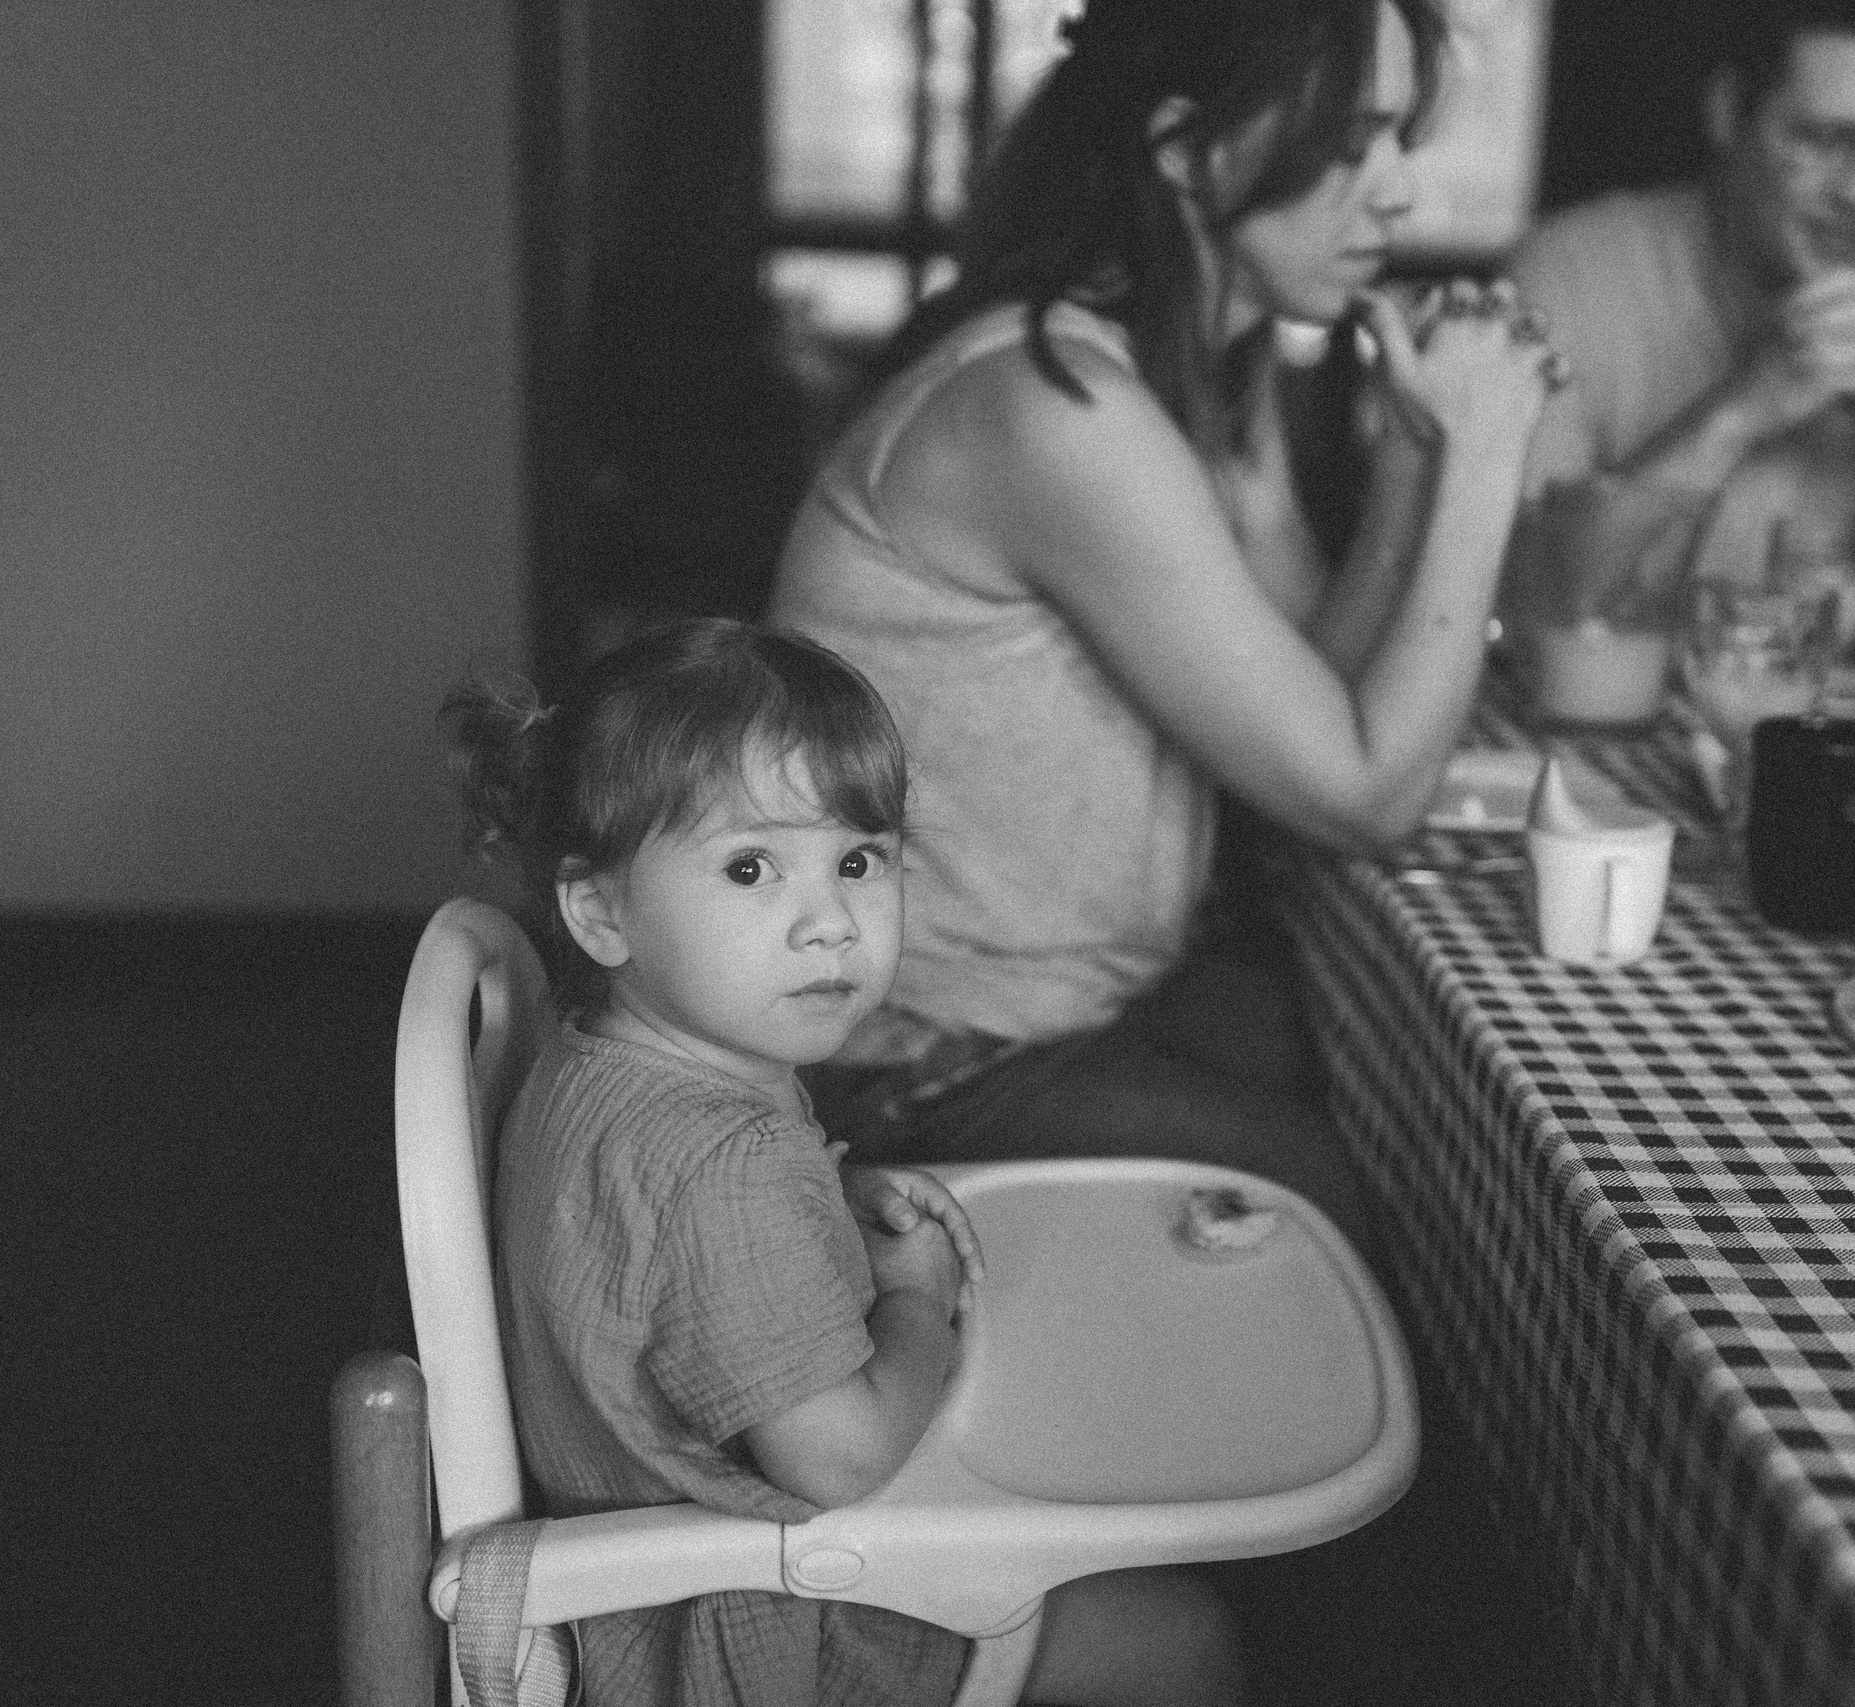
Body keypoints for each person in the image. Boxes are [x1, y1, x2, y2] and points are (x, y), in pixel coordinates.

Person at [767, 0, 1559, 1245]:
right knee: (1350, 1199)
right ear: (1188, 149)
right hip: (911, 1058)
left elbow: (1310, 705)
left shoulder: (1182, 371)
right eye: (1352, 144)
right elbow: (1362, 791)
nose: (1400, 194)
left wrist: (1412, 465)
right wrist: (1486, 458)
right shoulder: (1056, 402)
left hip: (1076, 1004)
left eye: (1402, 137)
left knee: (1409, 1097)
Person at [442, 618, 1244, 1707]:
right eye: (751, 867)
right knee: (1178, 1640)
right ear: (601, 911)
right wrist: (917, 1304)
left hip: (660, 1592)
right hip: (751, 1638)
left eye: (858, 860)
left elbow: (667, 1272)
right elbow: (842, 1458)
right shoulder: (721, 1161)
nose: (829, 923)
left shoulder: (618, 1070)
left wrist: (825, 1209)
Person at [1507, 0, 1855, 645]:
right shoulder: (1576, 264)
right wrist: (1746, 407)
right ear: (1726, 112)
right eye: (1823, 140)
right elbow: (1524, 604)